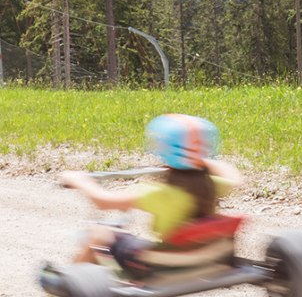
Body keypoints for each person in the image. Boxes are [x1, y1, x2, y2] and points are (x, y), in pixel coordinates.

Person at [58, 114, 244, 275]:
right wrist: (201, 160)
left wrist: (79, 180)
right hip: (205, 258)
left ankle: (67, 283)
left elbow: (103, 202)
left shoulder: (158, 193)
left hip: (160, 266)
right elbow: (235, 176)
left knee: (99, 234)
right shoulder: (213, 184)